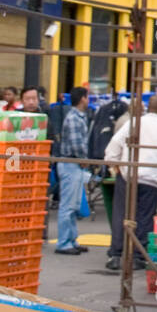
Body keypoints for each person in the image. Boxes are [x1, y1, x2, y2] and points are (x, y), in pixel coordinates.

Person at [104, 95, 157, 271]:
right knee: (144, 217)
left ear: (147, 108)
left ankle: (116, 255)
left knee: (122, 215)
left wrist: (114, 165)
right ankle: (138, 257)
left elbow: (114, 145)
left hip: (129, 175)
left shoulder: (133, 124)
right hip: (151, 179)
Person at [55, 92, 90, 256]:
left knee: (73, 205)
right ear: (82, 98)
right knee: (68, 205)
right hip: (71, 163)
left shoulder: (78, 116)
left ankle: (71, 240)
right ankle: (63, 242)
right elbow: (77, 144)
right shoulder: (74, 118)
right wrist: (84, 159)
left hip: (73, 164)